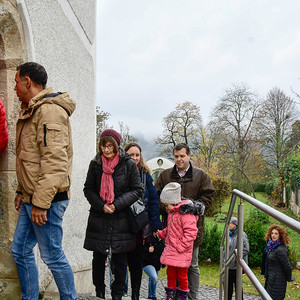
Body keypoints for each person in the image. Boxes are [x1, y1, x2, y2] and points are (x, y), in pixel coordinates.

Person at [10, 62, 77, 299]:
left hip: (46, 201)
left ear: (27, 81)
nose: (14, 87)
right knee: (19, 250)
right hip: (31, 199)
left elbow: (54, 163)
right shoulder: (34, 109)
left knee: (52, 256)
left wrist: (40, 203)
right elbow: (30, 158)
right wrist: (21, 191)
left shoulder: (50, 111)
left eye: (16, 81)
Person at [83, 129, 144, 300]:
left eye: (110, 146)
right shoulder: (95, 164)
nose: (107, 150)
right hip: (99, 217)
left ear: (117, 146)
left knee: (120, 260)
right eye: (104, 145)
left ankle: (117, 294)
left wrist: (116, 205)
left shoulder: (128, 164)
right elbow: (88, 189)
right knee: (98, 258)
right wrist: (101, 205)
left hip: (121, 219)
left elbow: (137, 190)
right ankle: (99, 293)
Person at [155, 143, 215, 300]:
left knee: (192, 266)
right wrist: (166, 207)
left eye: (182, 156)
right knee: (172, 266)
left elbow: (208, 196)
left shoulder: (201, 176)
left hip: (191, 231)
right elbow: (156, 197)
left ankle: (191, 297)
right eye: (176, 156)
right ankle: (173, 297)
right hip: (171, 230)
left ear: (189, 156)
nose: (179, 159)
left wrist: (192, 208)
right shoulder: (165, 175)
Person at [124, 142, 162, 300]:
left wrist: (156, 225)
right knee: (120, 262)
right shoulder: (119, 171)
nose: (134, 158)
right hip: (123, 224)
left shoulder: (145, 174)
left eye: (137, 155)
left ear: (140, 157)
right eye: (131, 155)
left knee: (137, 262)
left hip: (140, 225)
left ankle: (135, 295)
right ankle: (120, 293)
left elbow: (153, 201)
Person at [154, 182, 205, 300]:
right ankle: (170, 294)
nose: (166, 208)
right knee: (170, 273)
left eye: (167, 206)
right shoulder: (173, 213)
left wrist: (181, 246)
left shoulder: (186, 215)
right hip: (172, 250)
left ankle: (182, 295)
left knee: (182, 275)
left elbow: (191, 233)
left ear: (173, 202)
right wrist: (160, 234)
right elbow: (170, 229)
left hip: (182, 251)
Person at [261, 224, 293, 300]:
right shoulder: (271, 246)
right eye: (272, 233)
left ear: (280, 235)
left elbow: (287, 266)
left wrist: (288, 278)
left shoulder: (280, 249)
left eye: (276, 234)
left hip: (278, 281)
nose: (273, 235)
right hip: (270, 279)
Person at [227, 217, 249, 300]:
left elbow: (246, 249)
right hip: (230, 264)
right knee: (228, 285)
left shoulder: (241, 235)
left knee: (237, 285)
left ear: (235, 225)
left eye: (230, 223)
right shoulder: (230, 234)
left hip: (237, 265)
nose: (229, 225)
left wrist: (236, 258)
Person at [142, 235, 165, 300]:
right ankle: (153, 295)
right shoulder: (148, 239)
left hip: (157, 264)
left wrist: (163, 263)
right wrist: (147, 250)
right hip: (147, 263)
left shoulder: (162, 241)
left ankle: (150, 295)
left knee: (153, 279)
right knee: (154, 277)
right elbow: (141, 250)